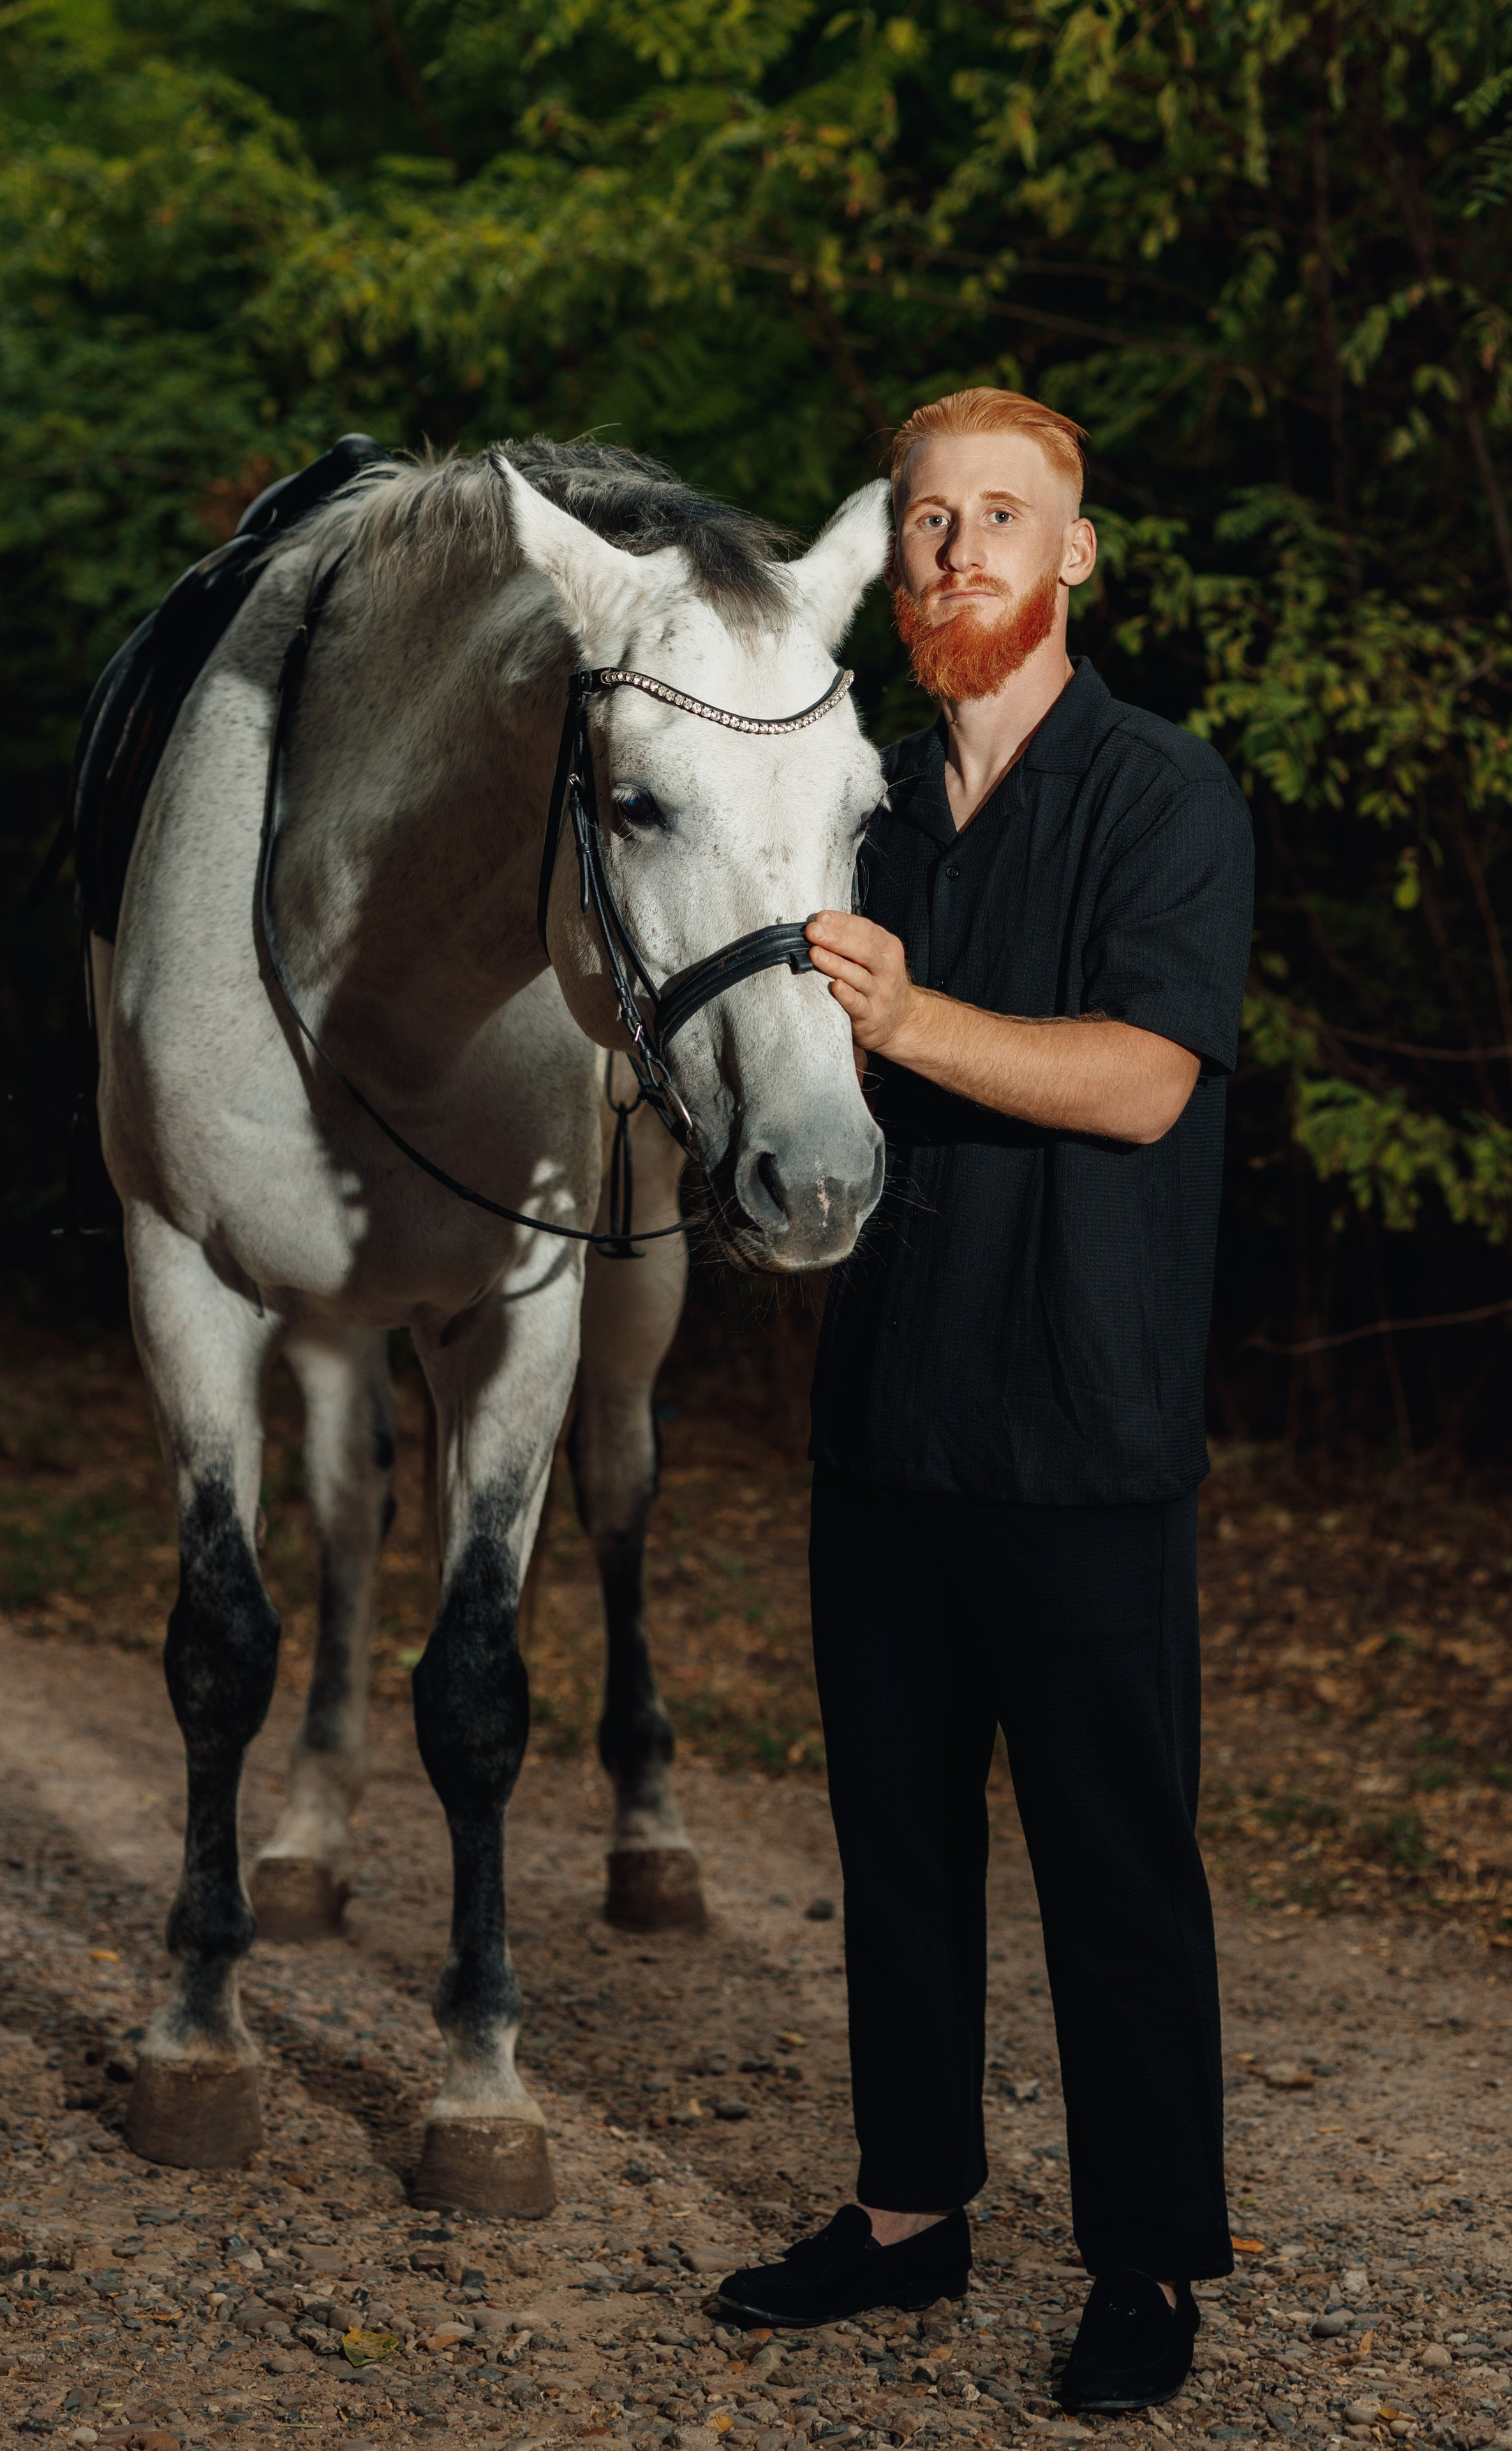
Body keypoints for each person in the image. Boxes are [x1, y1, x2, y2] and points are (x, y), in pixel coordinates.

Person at [718, 389, 1254, 2415]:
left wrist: (911, 1016)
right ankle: (907, 2218)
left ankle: (1147, 2268)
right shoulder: (861, 816)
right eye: (930, 518)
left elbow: (1138, 1080)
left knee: (1117, 1861)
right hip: (889, 1428)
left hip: (1089, 1439)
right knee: (897, 1848)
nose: (958, 551)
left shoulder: (1160, 794)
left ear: (1075, 556)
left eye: (1001, 517)